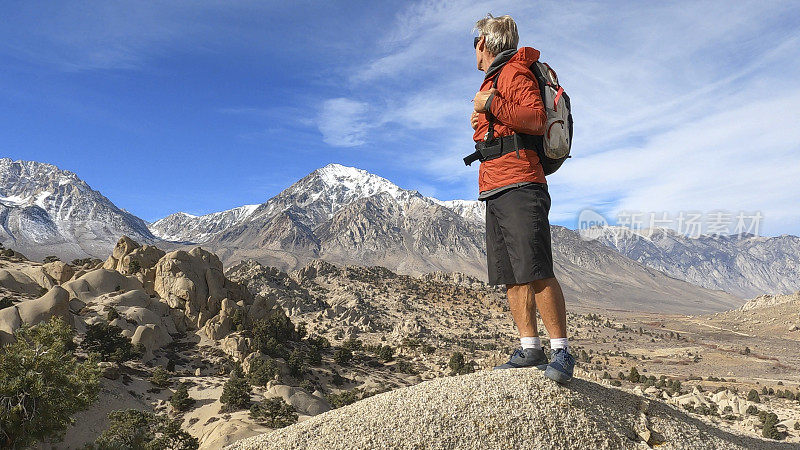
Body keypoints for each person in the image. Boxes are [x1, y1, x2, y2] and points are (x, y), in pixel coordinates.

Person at [469, 14, 574, 383]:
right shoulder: (496, 78)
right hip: (496, 185)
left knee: (536, 268)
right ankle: (530, 347)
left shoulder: (514, 73)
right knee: (512, 275)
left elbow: (534, 118)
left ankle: (561, 350)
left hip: (520, 182)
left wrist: (490, 104)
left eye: (475, 42)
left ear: (486, 42)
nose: (474, 51)